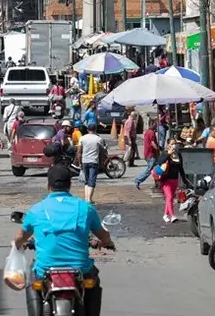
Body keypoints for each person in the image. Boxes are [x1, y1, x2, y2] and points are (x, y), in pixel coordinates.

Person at [13, 165, 115, 316]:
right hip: (80, 269)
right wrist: (108, 243)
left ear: (48, 185)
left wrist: (16, 245)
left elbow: (21, 237)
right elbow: (103, 235)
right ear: (70, 185)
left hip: (45, 268)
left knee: (33, 280)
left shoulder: (37, 210)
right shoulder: (85, 208)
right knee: (93, 281)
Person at [155, 139, 189, 223]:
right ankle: (172, 216)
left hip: (175, 180)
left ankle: (165, 214)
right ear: (168, 145)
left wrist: (184, 180)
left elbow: (181, 168)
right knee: (169, 197)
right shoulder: (165, 153)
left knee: (170, 198)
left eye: (175, 144)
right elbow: (159, 162)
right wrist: (168, 154)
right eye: (172, 144)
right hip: (165, 180)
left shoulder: (178, 155)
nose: (174, 145)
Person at [76, 122, 106, 204]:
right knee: (92, 180)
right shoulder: (99, 139)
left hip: (84, 161)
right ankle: (89, 199)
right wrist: (102, 163)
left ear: (87, 130)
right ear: (95, 129)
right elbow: (102, 152)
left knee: (86, 180)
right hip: (94, 161)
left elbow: (79, 152)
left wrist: (79, 163)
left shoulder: (82, 138)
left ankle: (87, 198)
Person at [134, 120, 161, 190]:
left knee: (156, 169)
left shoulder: (148, 132)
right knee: (150, 170)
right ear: (151, 124)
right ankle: (138, 180)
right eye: (155, 124)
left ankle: (157, 184)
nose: (156, 126)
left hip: (149, 154)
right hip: (151, 155)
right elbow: (152, 143)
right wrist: (158, 149)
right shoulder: (151, 132)